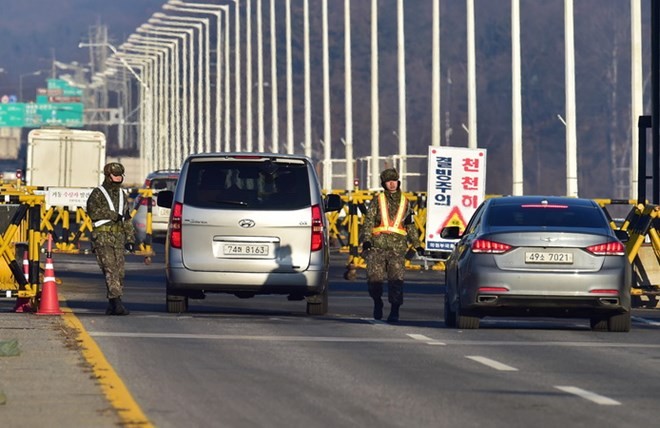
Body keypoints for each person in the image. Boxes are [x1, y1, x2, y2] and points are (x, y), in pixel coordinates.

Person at [360, 168, 424, 322]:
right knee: (374, 279)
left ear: (398, 182)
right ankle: (377, 302)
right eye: (389, 181)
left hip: (397, 249)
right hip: (377, 246)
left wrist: (417, 244)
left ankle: (395, 311)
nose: (392, 184)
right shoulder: (378, 200)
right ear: (384, 184)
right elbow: (368, 221)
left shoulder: (405, 202)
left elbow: (410, 225)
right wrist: (366, 240)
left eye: (394, 181)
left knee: (396, 281)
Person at [86, 162, 136, 315]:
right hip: (102, 237)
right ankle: (117, 303)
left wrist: (130, 239)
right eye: (115, 175)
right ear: (108, 176)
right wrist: (112, 214)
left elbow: (126, 218)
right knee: (110, 270)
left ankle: (112, 304)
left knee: (120, 272)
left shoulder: (122, 195)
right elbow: (92, 211)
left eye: (120, 175)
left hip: (118, 237)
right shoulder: (98, 193)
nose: (118, 178)